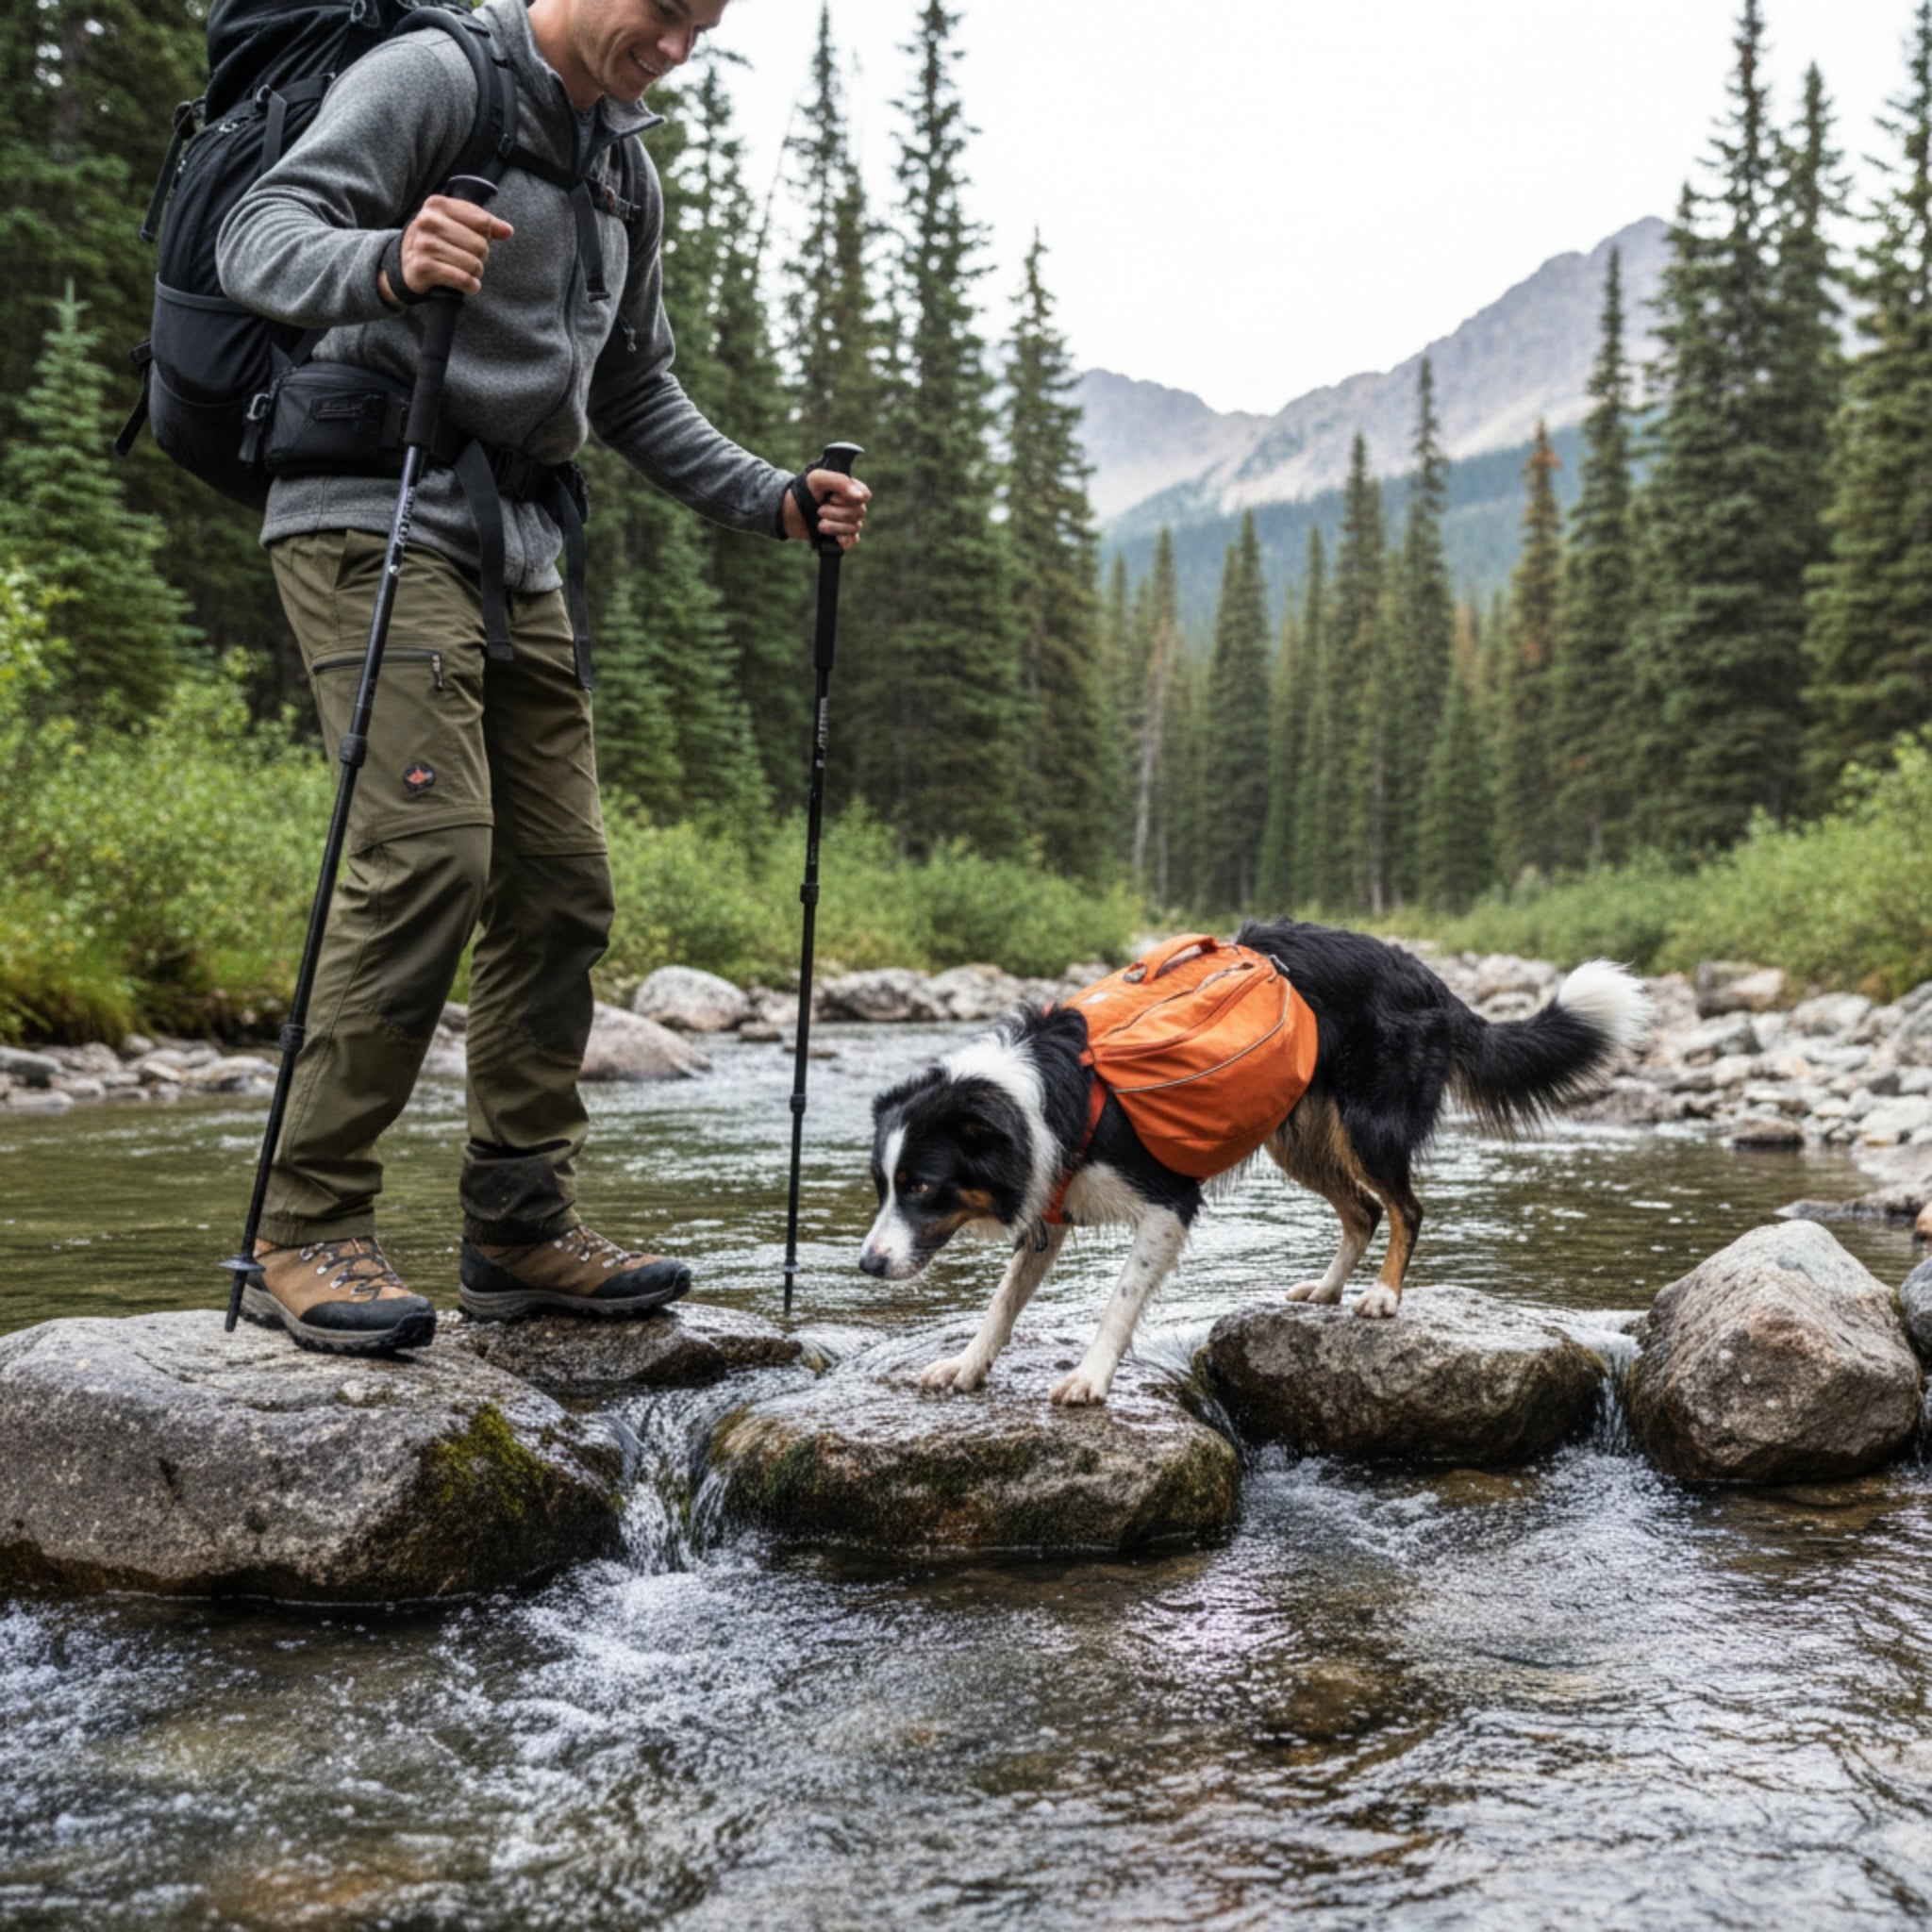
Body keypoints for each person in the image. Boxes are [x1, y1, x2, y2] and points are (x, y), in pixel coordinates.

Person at [216, 0, 868, 1355]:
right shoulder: (431, 79)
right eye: (664, 13)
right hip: (367, 509)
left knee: (564, 884)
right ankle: (304, 1219)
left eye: (704, 24)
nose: (678, 47)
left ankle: (517, 1227)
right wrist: (389, 260)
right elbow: (256, 239)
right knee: (431, 851)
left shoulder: (623, 168)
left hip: (517, 544)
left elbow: (635, 390)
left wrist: (774, 501)